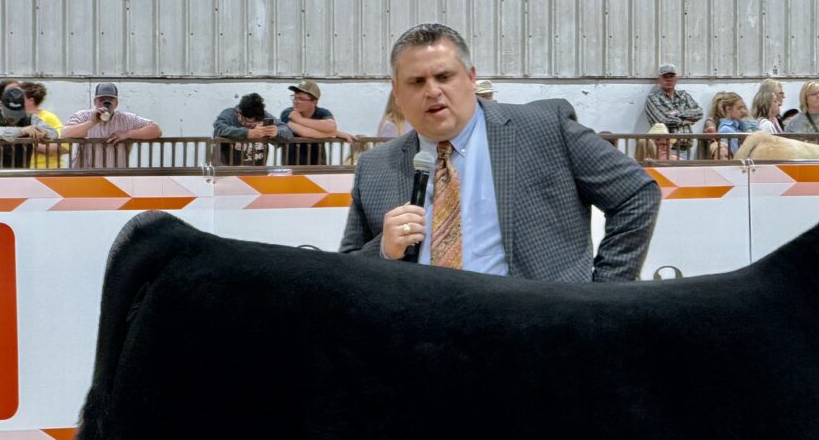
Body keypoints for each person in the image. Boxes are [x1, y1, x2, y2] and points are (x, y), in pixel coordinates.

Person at [339, 22, 660, 283]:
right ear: (397, 91)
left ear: (470, 78)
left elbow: (636, 194)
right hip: (427, 345)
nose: (432, 90)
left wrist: (602, 296)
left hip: (538, 340)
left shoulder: (545, 128)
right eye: (417, 81)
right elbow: (345, 272)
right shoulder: (375, 167)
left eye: (444, 76)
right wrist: (381, 250)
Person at [64, 83, 162, 168]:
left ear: (116, 103)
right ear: (95, 102)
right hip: (87, 174)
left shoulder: (126, 119)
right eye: (101, 100)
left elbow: (156, 130)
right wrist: (92, 122)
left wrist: (128, 134)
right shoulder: (83, 116)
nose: (106, 103)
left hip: (116, 175)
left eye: (110, 100)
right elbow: (66, 133)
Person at [0, 86, 58, 168]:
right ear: (0, 105)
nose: (14, 118)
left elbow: (54, 133)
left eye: (17, 113)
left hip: (22, 173)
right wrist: (22, 131)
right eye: (10, 113)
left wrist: (44, 132)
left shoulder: (30, 118)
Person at [212, 92, 292, 166]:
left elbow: (287, 130)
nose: (251, 126)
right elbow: (219, 128)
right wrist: (247, 133)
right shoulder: (230, 114)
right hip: (228, 171)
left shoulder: (265, 115)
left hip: (256, 172)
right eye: (246, 122)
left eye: (256, 123)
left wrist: (277, 132)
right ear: (239, 112)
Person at [644, 63, 703, 158]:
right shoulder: (653, 98)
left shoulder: (684, 95)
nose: (669, 79)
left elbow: (699, 113)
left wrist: (677, 113)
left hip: (686, 149)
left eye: (671, 76)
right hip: (665, 150)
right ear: (659, 79)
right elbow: (663, 120)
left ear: (676, 79)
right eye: (665, 76)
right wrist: (684, 121)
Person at [279, 80, 339, 165]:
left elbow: (331, 126)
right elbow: (304, 132)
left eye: (301, 99)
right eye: (294, 97)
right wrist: (333, 133)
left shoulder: (322, 112)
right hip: (292, 167)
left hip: (317, 167)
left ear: (314, 102)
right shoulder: (287, 113)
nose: (296, 101)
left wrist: (299, 120)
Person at [21, 81, 68, 168]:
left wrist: (29, 144)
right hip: (22, 172)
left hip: (47, 171)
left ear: (30, 100)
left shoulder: (48, 117)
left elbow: (64, 147)